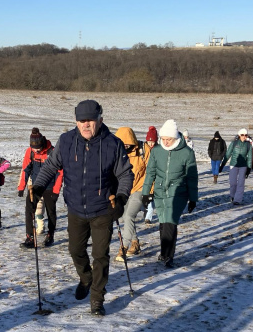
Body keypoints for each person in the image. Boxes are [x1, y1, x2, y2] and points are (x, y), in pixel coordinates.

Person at [32, 99, 133, 316]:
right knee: (75, 250)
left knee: (101, 255)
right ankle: (86, 277)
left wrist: (122, 198)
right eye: (81, 121)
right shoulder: (66, 141)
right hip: (76, 208)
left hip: (103, 209)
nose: (86, 125)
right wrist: (39, 186)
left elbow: (125, 174)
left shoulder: (113, 144)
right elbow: (50, 166)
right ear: (76, 122)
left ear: (100, 120)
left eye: (90, 120)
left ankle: (97, 297)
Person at [141, 120, 197, 268]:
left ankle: (169, 256)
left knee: (170, 222)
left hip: (178, 191)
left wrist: (193, 198)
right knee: (163, 222)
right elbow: (150, 173)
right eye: (163, 139)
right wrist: (146, 193)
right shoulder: (156, 151)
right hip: (160, 191)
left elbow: (192, 177)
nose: (165, 142)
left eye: (169, 139)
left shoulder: (187, 153)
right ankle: (163, 252)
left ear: (175, 138)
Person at [17, 128, 63, 248]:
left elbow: (60, 173)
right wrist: (21, 187)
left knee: (50, 211)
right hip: (36, 185)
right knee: (29, 208)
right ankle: (30, 237)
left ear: (42, 144)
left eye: (37, 148)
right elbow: (25, 169)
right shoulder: (30, 152)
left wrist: (56, 191)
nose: (36, 150)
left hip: (50, 186)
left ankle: (50, 235)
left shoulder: (52, 152)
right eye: (33, 148)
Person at [113, 126, 152, 261]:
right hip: (124, 190)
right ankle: (135, 243)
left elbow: (151, 171)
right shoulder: (116, 152)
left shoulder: (143, 150)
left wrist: (149, 192)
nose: (126, 146)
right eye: (122, 143)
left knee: (129, 216)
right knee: (123, 217)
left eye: (128, 143)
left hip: (140, 188)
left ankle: (123, 247)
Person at [221, 128, 253, 205]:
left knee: (241, 183)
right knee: (233, 183)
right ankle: (232, 195)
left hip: (243, 166)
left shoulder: (248, 145)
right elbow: (228, 154)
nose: (244, 136)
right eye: (242, 135)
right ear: (239, 135)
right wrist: (222, 165)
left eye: (246, 135)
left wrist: (249, 168)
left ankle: (237, 199)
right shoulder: (234, 143)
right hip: (233, 164)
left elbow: (250, 157)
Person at [143, 126, 158, 224]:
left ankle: (148, 218)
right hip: (144, 177)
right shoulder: (143, 149)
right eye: (149, 142)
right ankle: (146, 214)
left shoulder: (158, 150)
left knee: (151, 199)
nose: (151, 144)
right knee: (145, 197)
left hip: (155, 177)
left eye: (153, 142)